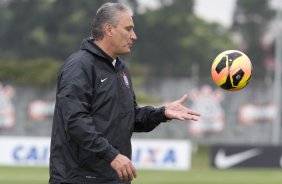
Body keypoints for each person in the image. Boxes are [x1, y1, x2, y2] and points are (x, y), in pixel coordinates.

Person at [49, 2, 200, 184]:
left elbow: (128, 117)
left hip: (113, 177)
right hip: (79, 178)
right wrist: (113, 155)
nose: (134, 36)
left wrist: (161, 113)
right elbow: (74, 121)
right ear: (108, 29)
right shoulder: (79, 66)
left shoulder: (120, 69)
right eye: (128, 29)